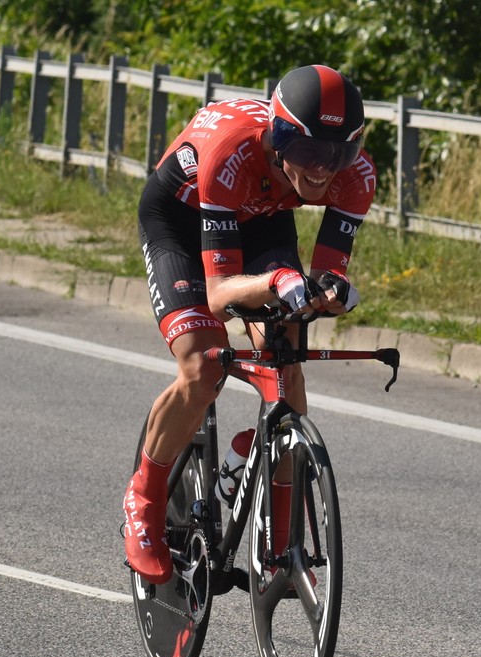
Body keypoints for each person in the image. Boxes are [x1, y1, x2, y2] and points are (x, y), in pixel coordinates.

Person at [123, 64, 376, 584]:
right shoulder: (230, 155)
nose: (325, 169)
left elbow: (328, 274)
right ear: (280, 137)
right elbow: (218, 299)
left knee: (285, 358)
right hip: (181, 219)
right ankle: (143, 501)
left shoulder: (358, 176)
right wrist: (280, 278)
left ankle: (281, 538)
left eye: (339, 152)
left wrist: (331, 291)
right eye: (309, 152)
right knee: (204, 365)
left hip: (261, 218)